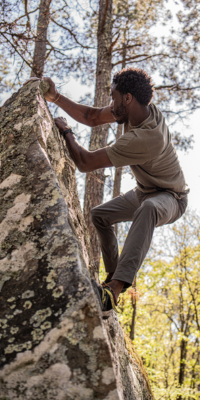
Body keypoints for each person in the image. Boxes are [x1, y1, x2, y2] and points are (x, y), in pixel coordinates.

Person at [34, 68, 189, 318]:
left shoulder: (146, 138)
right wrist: (55, 96)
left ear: (127, 98)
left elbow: (85, 163)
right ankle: (112, 276)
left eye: (113, 96)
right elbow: (92, 116)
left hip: (172, 198)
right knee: (100, 215)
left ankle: (115, 290)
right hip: (146, 190)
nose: (110, 103)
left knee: (148, 209)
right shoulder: (137, 111)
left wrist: (67, 132)